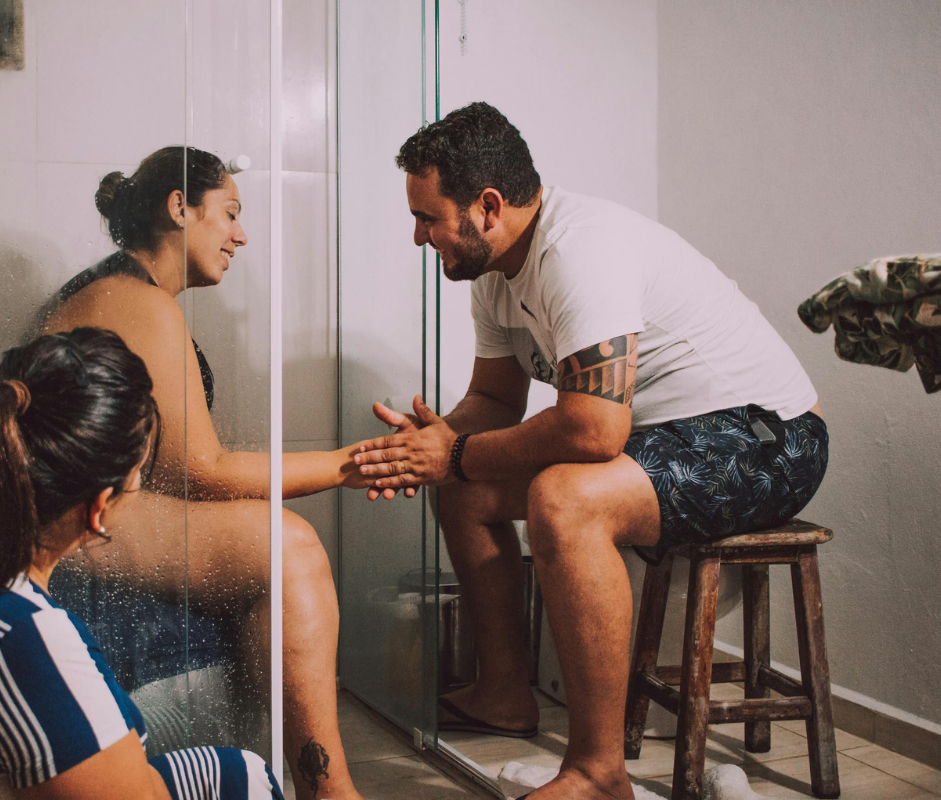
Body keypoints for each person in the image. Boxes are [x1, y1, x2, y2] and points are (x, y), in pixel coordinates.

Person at [352, 102, 828, 800]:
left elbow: (593, 432)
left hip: (767, 437)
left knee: (562, 500)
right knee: (468, 488)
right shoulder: (492, 274)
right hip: (665, 434)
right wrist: (441, 444)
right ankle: (504, 692)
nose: (419, 236)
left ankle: (600, 774)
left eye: (428, 217)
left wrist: (456, 453)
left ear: (487, 206)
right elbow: (495, 403)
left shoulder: (579, 249)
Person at [41, 147, 395, 800]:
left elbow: (178, 469)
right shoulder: (133, 298)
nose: (241, 234)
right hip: (80, 519)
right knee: (289, 548)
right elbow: (204, 472)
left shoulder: (122, 292)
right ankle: (333, 792)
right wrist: (352, 463)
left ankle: (299, 777)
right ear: (181, 208)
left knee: (267, 558)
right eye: (229, 212)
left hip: (101, 510)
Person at [0, 326, 283, 800]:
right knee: (248, 783)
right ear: (100, 507)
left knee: (237, 770)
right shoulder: (24, 641)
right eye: (140, 474)